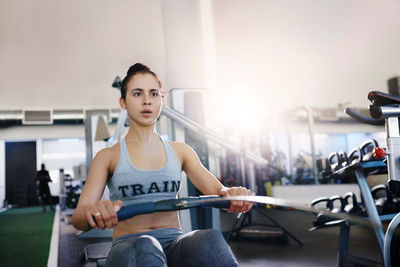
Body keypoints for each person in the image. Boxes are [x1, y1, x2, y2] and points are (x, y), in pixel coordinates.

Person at [71, 63, 253, 267]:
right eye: (137, 94)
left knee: (208, 240)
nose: (147, 100)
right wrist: (93, 213)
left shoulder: (181, 151)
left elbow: (220, 192)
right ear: (123, 102)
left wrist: (235, 195)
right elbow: (78, 219)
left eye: (154, 94)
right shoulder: (107, 156)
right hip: (130, 247)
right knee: (145, 246)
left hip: (174, 243)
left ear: (162, 101)